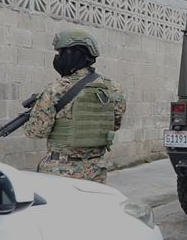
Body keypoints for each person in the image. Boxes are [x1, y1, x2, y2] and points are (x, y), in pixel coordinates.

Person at [24, 28, 126, 184]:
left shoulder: (57, 88)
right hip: (96, 171)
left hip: (60, 173)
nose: (57, 57)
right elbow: (114, 124)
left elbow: (36, 131)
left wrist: (30, 119)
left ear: (71, 54)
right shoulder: (113, 88)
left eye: (59, 53)